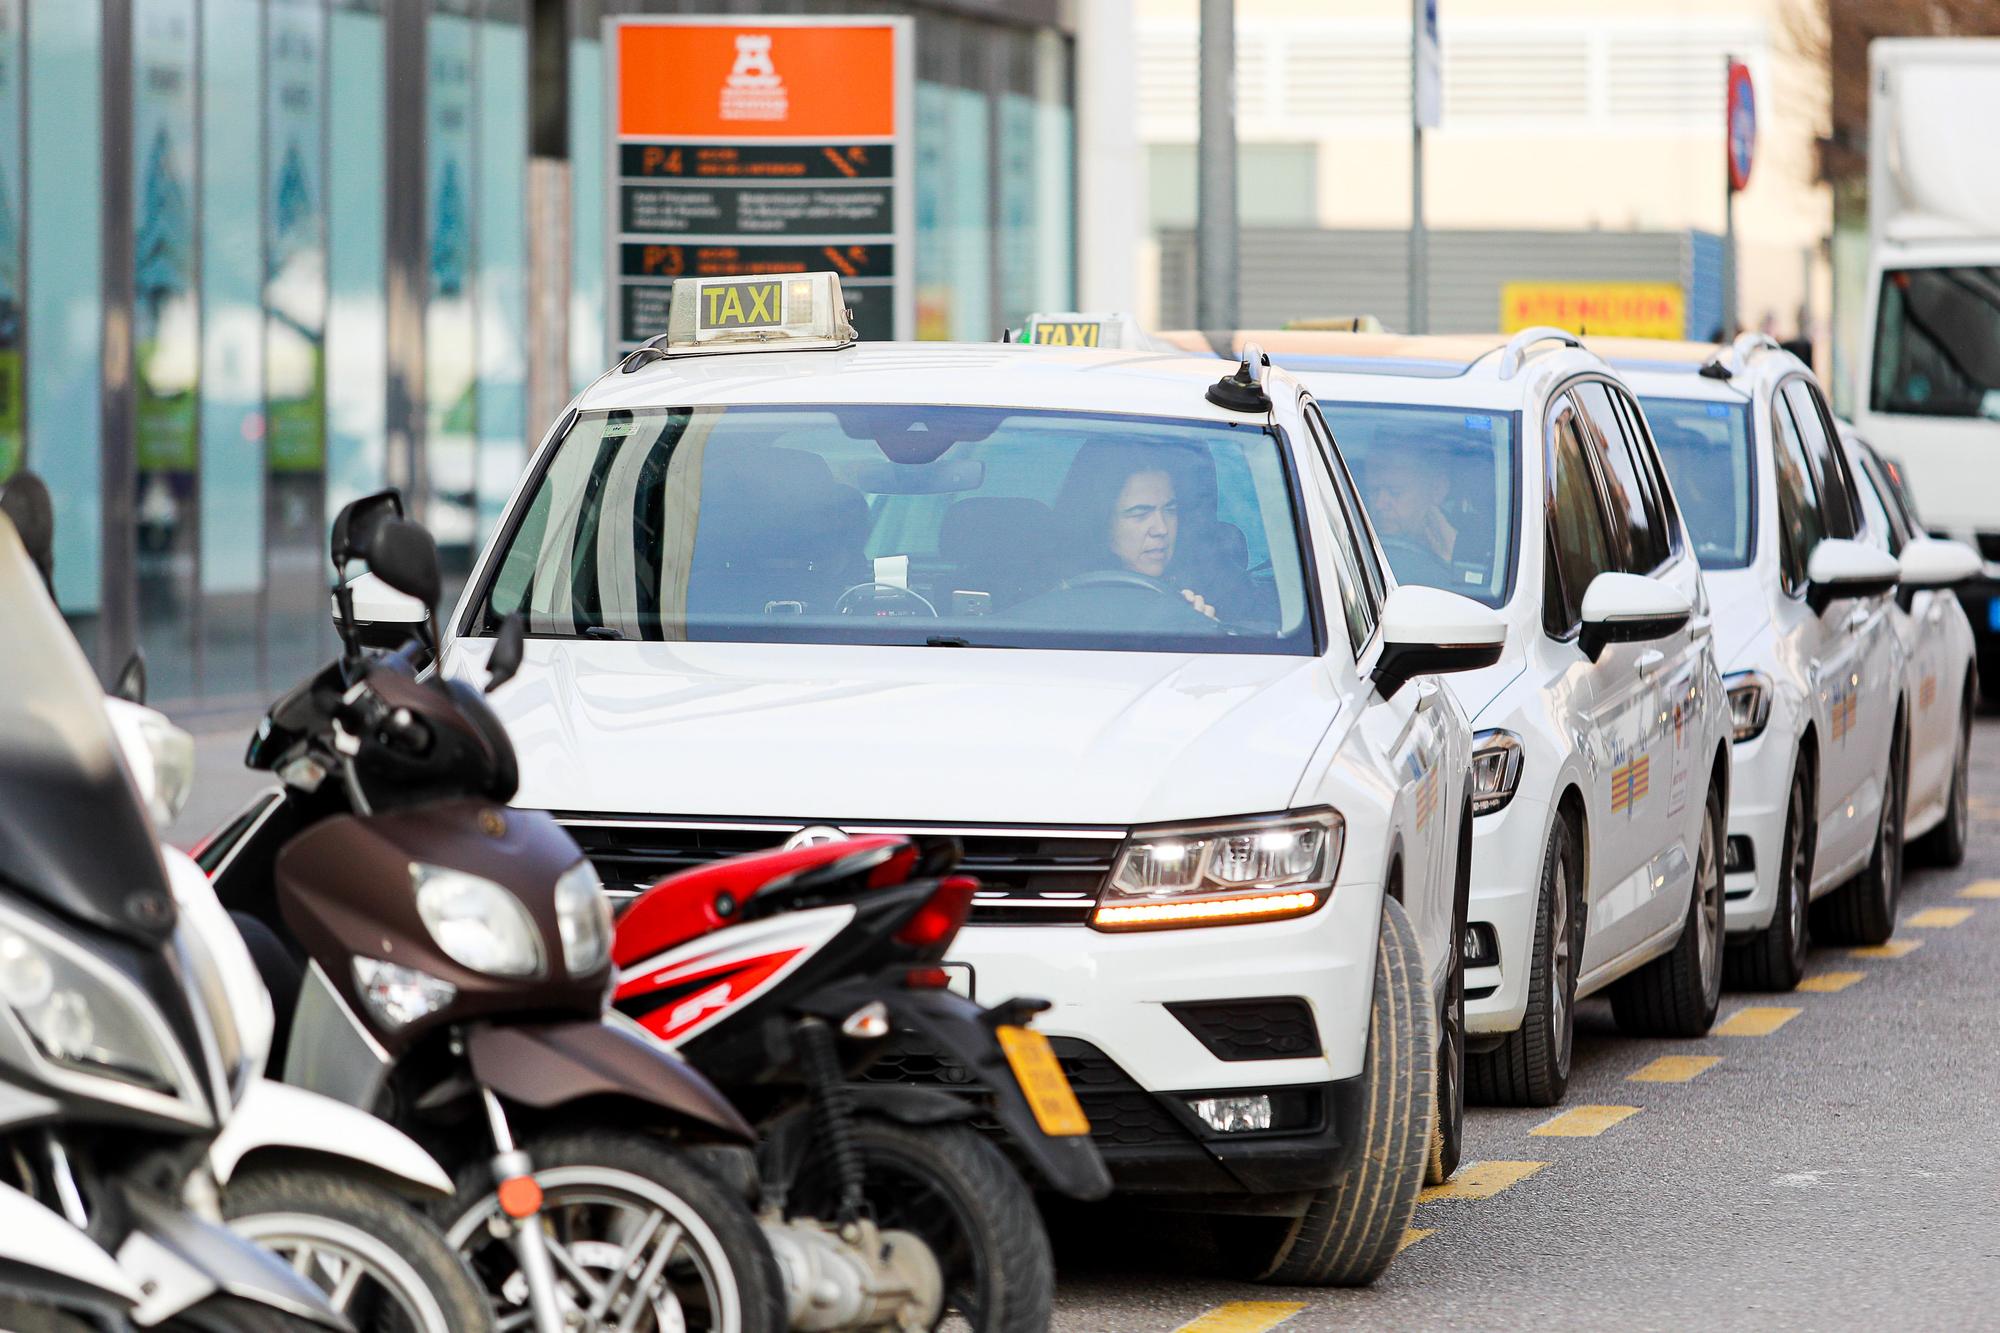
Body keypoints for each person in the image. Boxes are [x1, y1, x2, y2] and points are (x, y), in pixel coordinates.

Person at [1052, 445, 1216, 619]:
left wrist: (1204, 629)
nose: (1161, 529)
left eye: (1170, 510)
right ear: (1102, 523)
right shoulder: (1054, 604)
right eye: (1140, 513)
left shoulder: (1212, 588)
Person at [1358, 441, 1457, 590]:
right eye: (1373, 491)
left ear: (1437, 489)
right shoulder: (1349, 541)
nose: (1379, 504)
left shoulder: (1472, 551)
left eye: (1395, 492)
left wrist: (1449, 561)